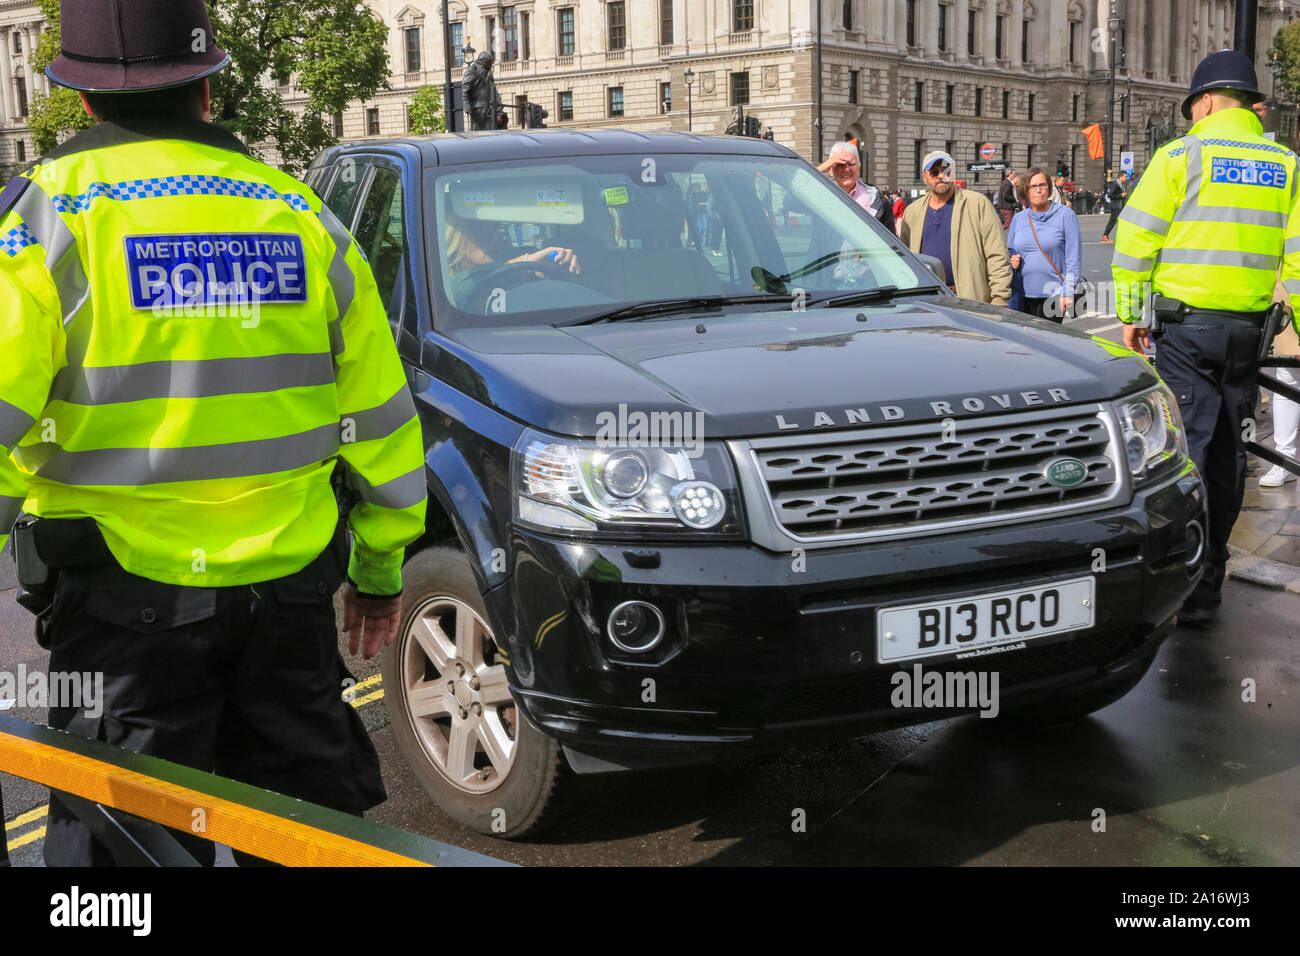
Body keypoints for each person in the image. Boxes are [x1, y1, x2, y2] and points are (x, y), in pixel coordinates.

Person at [0, 0, 427, 865]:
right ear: (206, 84)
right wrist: (378, 576)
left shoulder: (46, 222)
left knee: (129, 864)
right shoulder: (302, 215)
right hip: (292, 602)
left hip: (123, 615)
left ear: (82, 98)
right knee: (308, 840)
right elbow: (381, 420)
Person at [1112, 48, 1300, 628]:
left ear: (1209, 101)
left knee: (1182, 457)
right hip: (1247, 335)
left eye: (1194, 107)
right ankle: (1210, 581)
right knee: (1228, 456)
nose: (1193, 117)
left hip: (1185, 331)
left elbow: (1136, 241)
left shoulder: (1181, 156)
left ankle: (1183, 583)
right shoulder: (1286, 165)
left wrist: (1131, 312)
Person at [899, 150, 1012, 306]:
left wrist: (1000, 298)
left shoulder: (978, 204)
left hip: (969, 300)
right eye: (934, 172)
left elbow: (997, 254)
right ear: (925, 178)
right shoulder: (912, 212)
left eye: (946, 170)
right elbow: (906, 262)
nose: (941, 176)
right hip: (927, 302)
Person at [444, 213, 580, 306]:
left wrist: (559, 271)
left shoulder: (519, 276)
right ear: (455, 238)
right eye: (481, 231)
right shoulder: (440, 285)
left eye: (497, 230)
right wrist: (523, 263)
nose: (495, 239)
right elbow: (455, 292)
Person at [1006, 167, 1083, 322]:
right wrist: (1013, 258)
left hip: (1053, 295)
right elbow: (1010, 249)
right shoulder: (1019, 219)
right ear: (1025, 191)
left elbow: (1073, 258)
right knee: (1025, 343)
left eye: (1043, 185)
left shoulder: (1066, 216)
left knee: (1046, 342)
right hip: (1022, 295)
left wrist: (1067, 292)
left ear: (1049, 188)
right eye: (1033, 186)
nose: (1039, 190)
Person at [816, 140, 895, 234]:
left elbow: (891, 241)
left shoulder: (877, 200)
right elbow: (794, 202)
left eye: (851, 164)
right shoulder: (819, 196)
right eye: (840, 164)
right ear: (830, 170)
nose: (846, 169)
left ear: (858, 169)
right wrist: (818, 170)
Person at [1100, 170, 1130, 242]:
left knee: (1120, 221)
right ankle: (1105, 236)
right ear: (1120, 177)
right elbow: (1110, 195)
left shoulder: (1121, 184)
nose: (1126, 178)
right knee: (1113, 221)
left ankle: (1107, 236)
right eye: (1125, 177)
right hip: (1116, 206)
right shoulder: (1115, 184)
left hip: (1119, 206)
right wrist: (1121, 195)